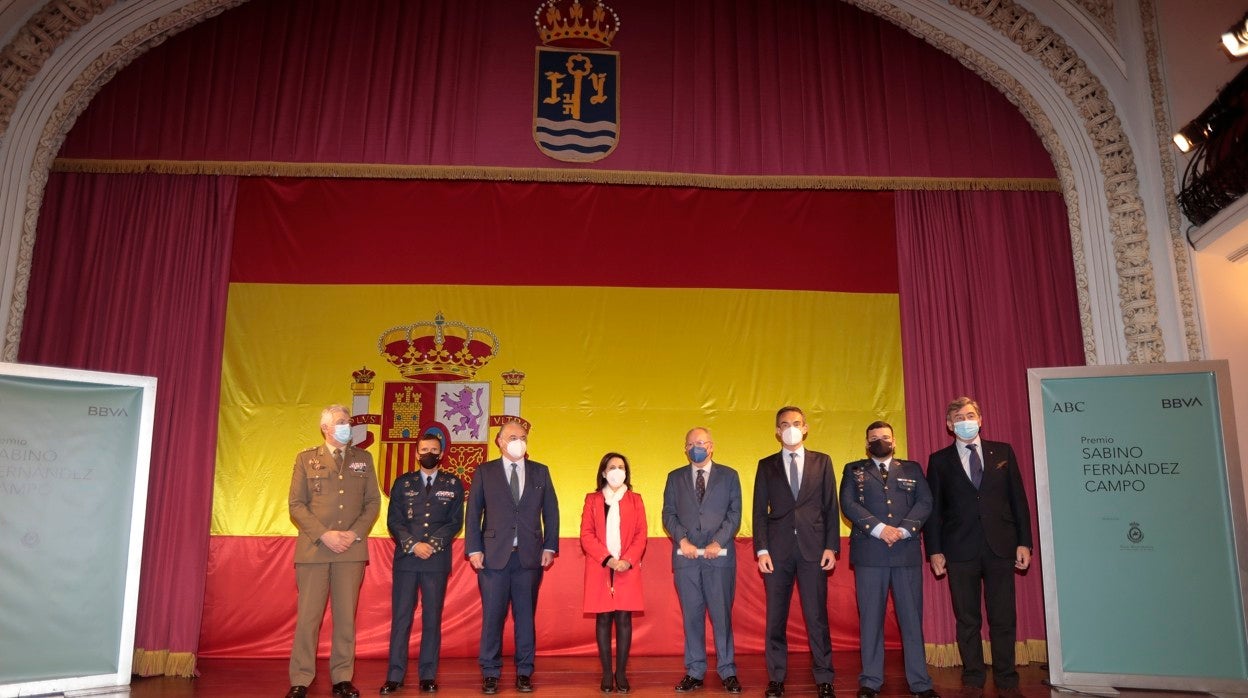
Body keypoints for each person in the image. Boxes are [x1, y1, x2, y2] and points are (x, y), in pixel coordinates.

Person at [924, 397, 1033, 698]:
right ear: (949, 425)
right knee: (967, 618)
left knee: (1003, 617)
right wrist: (934, 550)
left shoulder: (1004, 452)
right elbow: (933, 511)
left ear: (981, 419)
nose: (965, 420)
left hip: (1001, 547)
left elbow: (1019, 501)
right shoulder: (939, 460)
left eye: (970, 415)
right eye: (958, 417)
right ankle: (973, 677)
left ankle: (1007, 678)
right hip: (959, 551)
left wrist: (1025, 542)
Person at [286, 405, 381, 698]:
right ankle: (300, 678)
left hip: (350, 550)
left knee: (345, 618)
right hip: (315, 549)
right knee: (308, 618)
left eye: (348, 422)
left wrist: (352, 534)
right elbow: (296, 505)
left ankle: (342, 677)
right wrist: (324, 535)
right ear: (325, 427)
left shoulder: (363, 460)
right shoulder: (306, 459)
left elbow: (373, 503)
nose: (347, 426)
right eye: (341, 422)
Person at [840, 421, 938, 698]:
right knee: (870, 620)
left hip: (905, 552)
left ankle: (920, 683)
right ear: (866, 443)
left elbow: (925, 502)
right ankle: (870, 681)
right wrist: (881, 529)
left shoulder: (912, 469)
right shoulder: (854, 470)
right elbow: (848, 504)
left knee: (911, 620)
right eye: (874, 438)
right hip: (870, 554)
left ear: (894, 442)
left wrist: (904, 529)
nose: (880, 441)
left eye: (885, 437)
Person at [465, 420, 559, 695]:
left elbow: (551, 512)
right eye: (513, 436)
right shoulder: (485, 471)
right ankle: (490, 672)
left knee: (525, 617)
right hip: (493, 557)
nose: (519, 440)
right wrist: (474, 549)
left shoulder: (541, 472)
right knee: (492, 617)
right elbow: (474, 514)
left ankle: (524, 671)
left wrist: (549, 547)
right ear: (500, 441)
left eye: (523, 436)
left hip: (529, 557)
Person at [752, 406, 838, 698]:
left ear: (806, 428)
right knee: (775, 617)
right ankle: (776, 677)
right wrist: (761, 550)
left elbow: (830, 507)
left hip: (814, 551)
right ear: (777, 431)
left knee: (817, 617)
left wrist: (831, 546)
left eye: (796, 423)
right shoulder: (766, 465)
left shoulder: (822, 462)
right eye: (785, 424)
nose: (791, 428)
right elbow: (759, 512)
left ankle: (824, 677)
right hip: (777, 553)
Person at [661, 427, 743, 695]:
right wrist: (682, 540)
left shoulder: (730, 476)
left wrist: (717, 542)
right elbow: (669, 514)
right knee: (692, 616)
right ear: (685, 448)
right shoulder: (674, 478)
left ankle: (727, 670)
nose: (697, 447)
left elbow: (734, 514)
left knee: (721, 616)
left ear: (711, 446)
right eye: (692, 443)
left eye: (702, 442)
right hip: (686, 558)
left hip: (719, 557)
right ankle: (695, 670)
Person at [381, 433, 464, 695]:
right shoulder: (403, 482)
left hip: (436, 562)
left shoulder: (453, 483)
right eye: (424, 449)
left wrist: (432, 545)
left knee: (432, 619)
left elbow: (454, 522)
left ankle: (427, 676)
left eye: (434, 449)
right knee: (401, 619)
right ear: (417, 454)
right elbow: (394, 520)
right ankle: (395, 676)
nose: (429, 453)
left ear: (441, 454)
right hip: (407, 560)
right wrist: (414, 544)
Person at [579, 452, 648, 694]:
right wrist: (608, 559)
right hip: (601, 566)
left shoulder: (636, 500)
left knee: (624, 619)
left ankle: (621, 672)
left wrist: (627, 560)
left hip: (627, 567)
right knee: (603, 618)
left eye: (621, 467)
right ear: (603, 472)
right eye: (612, 467)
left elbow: (641, 534)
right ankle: (607, 672)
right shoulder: (592, 500)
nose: (617, 471)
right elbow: (586, 535)